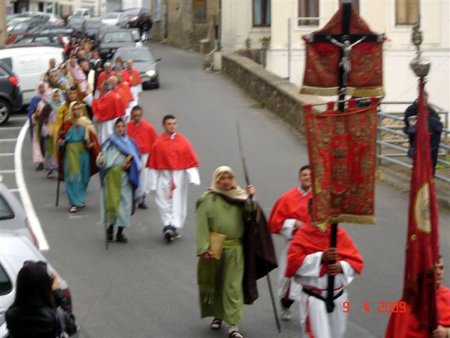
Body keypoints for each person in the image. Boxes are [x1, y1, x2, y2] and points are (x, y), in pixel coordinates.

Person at [196, 166, 278, 338]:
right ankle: (218, 316)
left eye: (228, 178)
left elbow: (250, 212)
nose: (225, 182)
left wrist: (251, 197)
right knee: (217, 283)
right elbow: (201, 224)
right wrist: (204, 248)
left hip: (235, 248)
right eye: (221, 178)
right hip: (215, 245)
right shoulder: (208, 198)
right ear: (216, 180)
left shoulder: (240, 196)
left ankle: (233, 326)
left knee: (232, 286)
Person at [285, 199, 364, 338]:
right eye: (317, 210)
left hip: (339, 297)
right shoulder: (302, 235)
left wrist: (342, 267)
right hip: (314, 299)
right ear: (311, 212)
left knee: (338, 335)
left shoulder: (339, 234)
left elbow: (356, 261)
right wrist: (321, 257)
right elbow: (293, 264)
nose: (321, 214)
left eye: (324, 210)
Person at [268, 165, 312, 321]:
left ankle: (310, 312)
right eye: (305, 174)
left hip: (313, 248)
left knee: (310, 279)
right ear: (299, 178)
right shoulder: (288, 197)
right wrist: (293, 223)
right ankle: (285, 304)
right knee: (288, 278)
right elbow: (275, 221)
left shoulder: (321, 199)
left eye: (310, 175)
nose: (308, 177)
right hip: (294, 245)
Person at [148, 115, 200, 242]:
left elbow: (189, 162)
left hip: (179, 178)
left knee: (178, 203)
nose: (172, 126)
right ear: (164, 126)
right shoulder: (158, 143)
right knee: (163, 202)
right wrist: (152, 184)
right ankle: (167, 226)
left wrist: (193, 178)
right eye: (169, 124)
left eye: (174, 123)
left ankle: (173, 226)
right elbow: (154, 166)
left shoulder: (183, 141)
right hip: (163, 178)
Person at [97, 118, 141, 243]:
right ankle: (110, 229)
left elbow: (137, 162)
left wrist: (130, 166)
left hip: (125, 178)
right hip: (111, 178)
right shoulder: (108, 144)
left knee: (125, 205)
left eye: (122, 126)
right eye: (118, 126)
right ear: (114, 128)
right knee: (112, 204)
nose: (120, 128)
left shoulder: (130, 143)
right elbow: (101, 159)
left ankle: (120, 232)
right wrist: (100, 160)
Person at [5, 261, 77, 338]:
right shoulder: (55, 316)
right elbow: (72, 327)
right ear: (47, 287)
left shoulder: (10, 315)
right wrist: (57, 293)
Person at [386, 256, 450, 338]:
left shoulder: (448, 296)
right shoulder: (408, 301)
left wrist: (447, 332)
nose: (439, 272)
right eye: (435, 268)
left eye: (441, 268)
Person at [57, 101, 100, 213]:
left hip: (84, 153)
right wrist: (60, 143)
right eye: (74, 109)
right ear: (71, 110)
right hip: (71, 154)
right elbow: (59, 141)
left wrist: (92, 145)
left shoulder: (86, 123)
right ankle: (73, 203)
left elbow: (93, 140)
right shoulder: (66, 124)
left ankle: (80, 199)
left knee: (84, 177)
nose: (76, 111)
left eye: (78, 109)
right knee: (72, 177)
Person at [126, 106, 158, 209]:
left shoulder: (148, 127)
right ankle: (132, 197)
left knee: (143, 179)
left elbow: (155, 143)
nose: (137, 118)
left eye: (139, 115)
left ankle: (141, 198)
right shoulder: (127, 127)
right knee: (131, 176)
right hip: (131, 155)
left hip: (144, 156)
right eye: (135, 116)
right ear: (131, 114)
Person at [404, 93, 443, 175]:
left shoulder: (429, 110)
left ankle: (428, 180)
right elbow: (408, 124)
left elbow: (437, 121)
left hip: (429, 140)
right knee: (420, 162)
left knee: (429, 162)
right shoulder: (412, 109)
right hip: (418, 140)